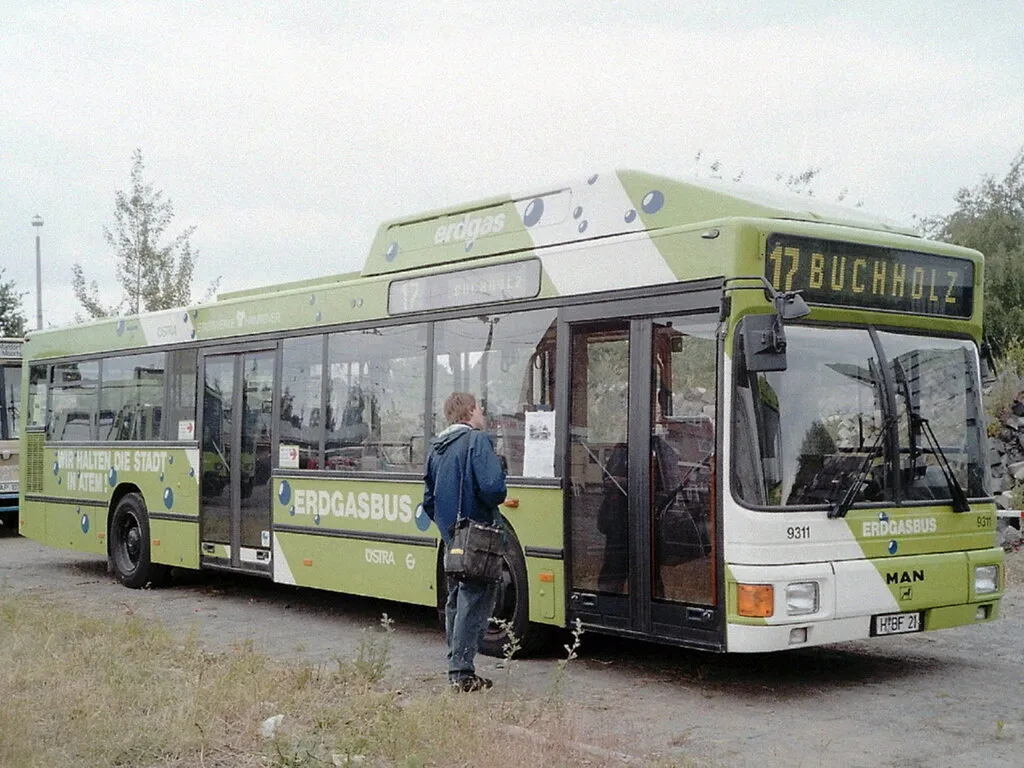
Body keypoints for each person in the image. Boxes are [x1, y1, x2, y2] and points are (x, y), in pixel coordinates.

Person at [422, 392, 507, 692]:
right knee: (475, 600)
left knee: (456, 599)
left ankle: (456, 665)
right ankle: (461, 672)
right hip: (478, 537)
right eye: (479, 408)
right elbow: (494, 489)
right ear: (469, 412)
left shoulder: (437, 448)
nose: (482, 413)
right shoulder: (476, 441)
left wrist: (450, 531)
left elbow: (428, 501)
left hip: (453, 537)